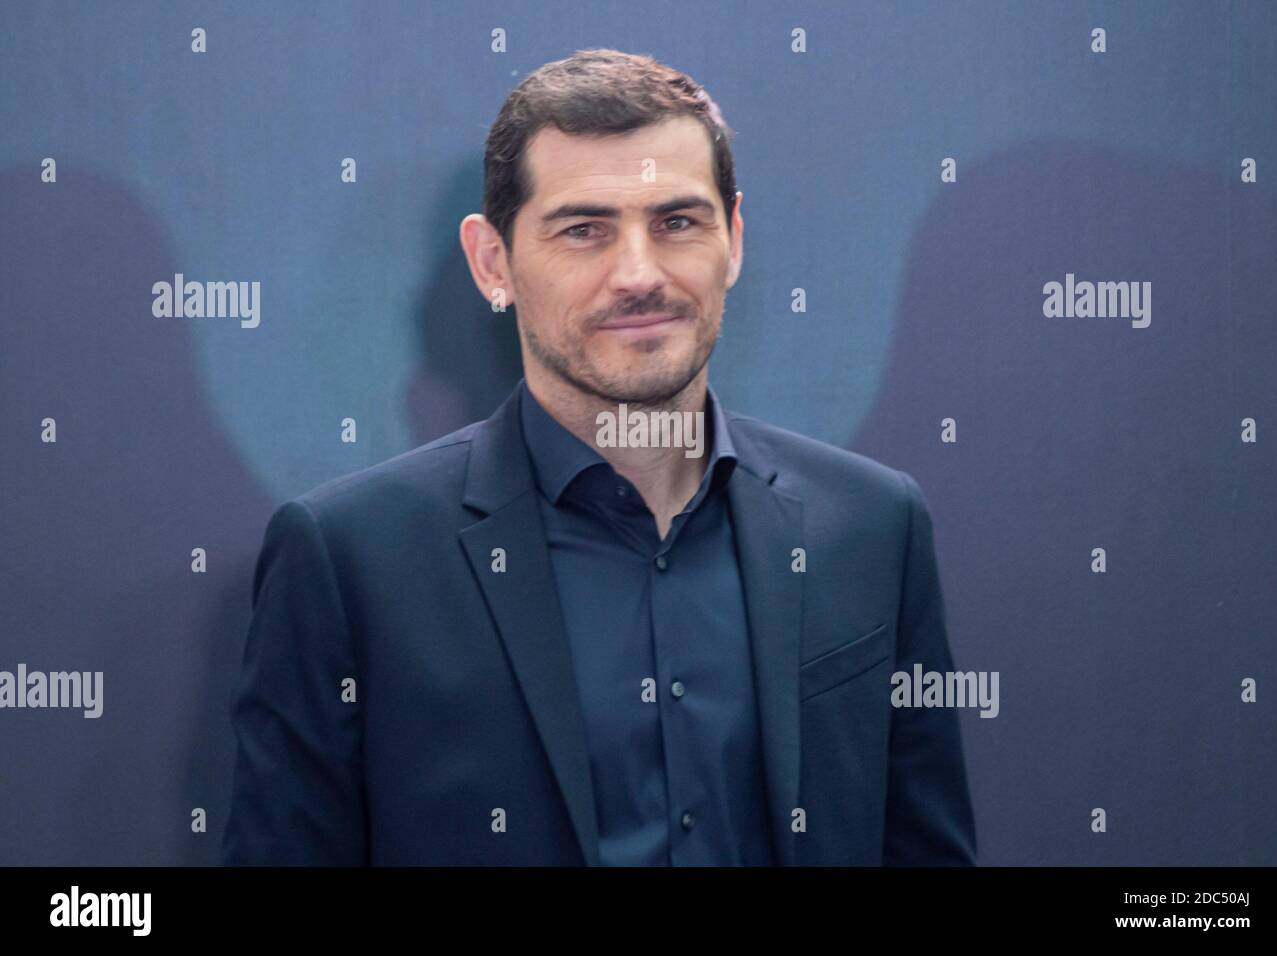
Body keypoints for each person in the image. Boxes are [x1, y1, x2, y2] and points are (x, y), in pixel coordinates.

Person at [221, 48, 976, 866]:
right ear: (492, 262)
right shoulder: (350, 558)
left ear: (734, 241)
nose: (639, 275)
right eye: (584, 230)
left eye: (677, 222)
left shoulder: (869, 526)